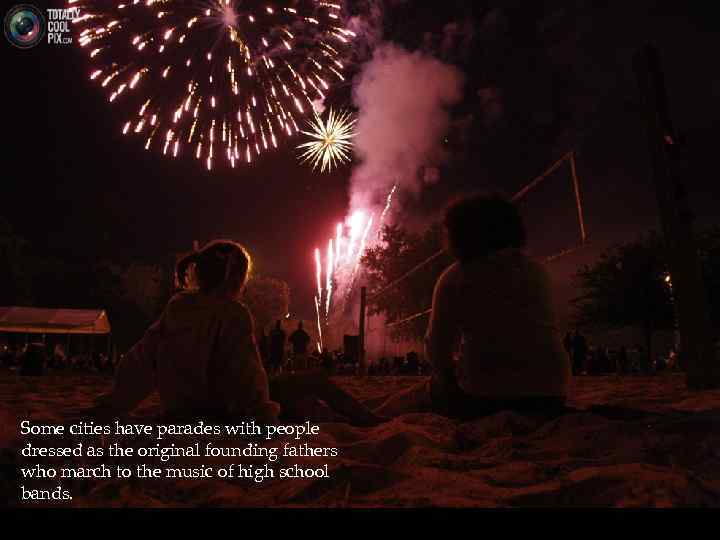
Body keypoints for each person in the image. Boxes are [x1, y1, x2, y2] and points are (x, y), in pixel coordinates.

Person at [93, 239, 382, 426]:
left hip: (181, 409)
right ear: (235, 277)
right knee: (314, 383)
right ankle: (370, 421)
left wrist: (112, 403)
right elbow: (246, 372)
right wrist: (262, 416)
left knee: (299, 401)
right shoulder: (233, 313)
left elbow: (140, 360)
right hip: (221, 410)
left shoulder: (176, 307)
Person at [377, 194, 571, 420]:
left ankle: (370, 417)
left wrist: (449, 377)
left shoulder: (455, 277)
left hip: (485, 398)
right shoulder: (537, 271)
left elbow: (436, 348)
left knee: (426, 391)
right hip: (552, 394)